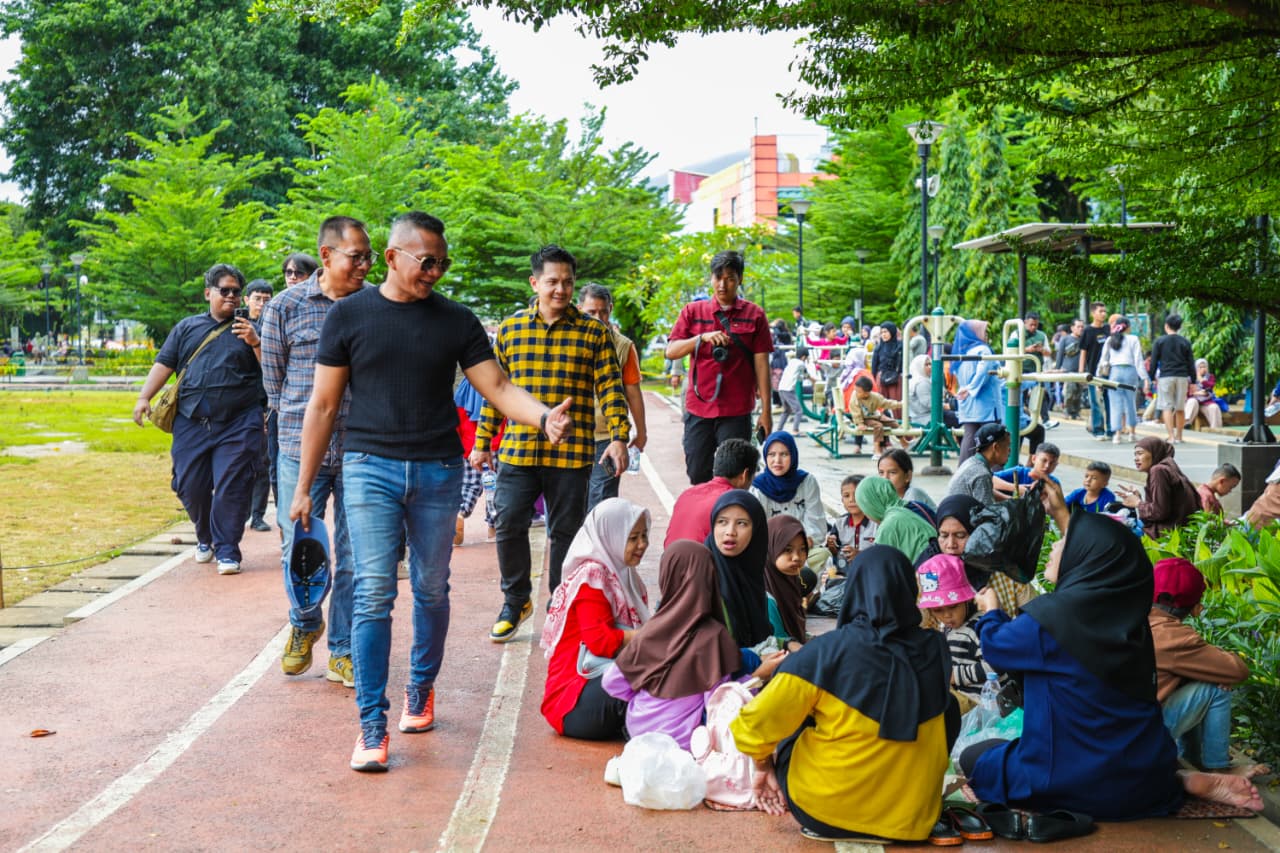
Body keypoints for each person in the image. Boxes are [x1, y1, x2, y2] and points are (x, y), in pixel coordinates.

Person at [292, 211, 568, 773]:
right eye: (427, 261)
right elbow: (321, 405)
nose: (435, 272)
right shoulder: (348, 316)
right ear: (393, 257)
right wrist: (303, 487)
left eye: (442, 262)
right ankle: (371, 724)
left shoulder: (456, 321)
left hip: (439, 471)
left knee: (432, 589)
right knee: (373, 592)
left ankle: (421, 689)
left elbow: (496, 386)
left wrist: (542, 418)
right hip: (368, 469)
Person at [965, 504, 1264, 820]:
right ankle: (1180, 778)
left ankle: (1179, 779)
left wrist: (991, 611)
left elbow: (996, 647)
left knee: (977, 757)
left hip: (1067, 783)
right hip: (1145, 783)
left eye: (1064, 540)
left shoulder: (1053, 620)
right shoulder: (1134, 622)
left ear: (1087, 556)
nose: (1053, 546)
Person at [729, 545, 953, 842]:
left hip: (823, 812)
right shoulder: (936, 649)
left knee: (793, 719)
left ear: (855, 589)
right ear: (909, 592)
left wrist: (762, 766)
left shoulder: (825, 654)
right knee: (945, 708)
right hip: (913, 820)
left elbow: (751, 726)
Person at [473, 245, 631, 644]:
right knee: (508, 522)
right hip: (519, 450)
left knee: (565, 532)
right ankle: (515, 601)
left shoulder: (594, 333)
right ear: (535, 283)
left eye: (567, 282)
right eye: (552, 282)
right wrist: (482, 443)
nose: (560, 290)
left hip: (572, 453)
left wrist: (619, 436)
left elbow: (610, 388)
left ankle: (559, 605)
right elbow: (498, 391)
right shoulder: (510, 331)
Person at [260, 216, 368, 683]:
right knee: (296, 545)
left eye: (369, 256)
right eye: (355, 257)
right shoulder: (285, 308)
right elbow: (274, 381)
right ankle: (305, 622)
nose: (365, 265)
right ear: (326, 256)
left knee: (352, 552)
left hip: (361, 448)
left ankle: (341, 648)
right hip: (296, 449)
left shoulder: (374, 306)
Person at [133, 263, 264, 576]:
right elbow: (164, 364)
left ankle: (228, 550)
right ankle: (205, 536)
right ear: (209, 293)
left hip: (239, 421)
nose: (231, 296)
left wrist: (256, 342)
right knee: (189, 485)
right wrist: (143, 397)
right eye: (225, 290)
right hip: (192, 420)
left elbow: (273, 370)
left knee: (232, 485)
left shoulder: (251, 329)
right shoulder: (186, 328)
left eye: (236, 292)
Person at [603, 540, 781, 750]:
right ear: (711, 580)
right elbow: (718, 705)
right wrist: (759, 677)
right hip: (684, 741)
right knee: (748, 664)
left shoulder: (650, 631)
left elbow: (611, 682)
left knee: (744, 656)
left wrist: (648, 696)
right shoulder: (713, 638)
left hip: (638, 730)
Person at [540, 499, 651, 740]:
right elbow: (600, 642)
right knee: (651, 682)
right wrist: (650, 635)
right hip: (572, 700)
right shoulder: (593, 576)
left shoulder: (625, 575)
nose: (642, 544)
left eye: (644, 535)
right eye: (633, 538)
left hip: (595, 684)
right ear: (611, 536)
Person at [1149, 557, 1264, 777]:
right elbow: (1238, 670)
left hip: (1107, 732)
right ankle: (1218, 768)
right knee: (1215, 687)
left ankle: (1192, 758)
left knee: (1195, 675)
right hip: (1142, 736)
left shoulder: (1129, 618)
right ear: (1196, 608)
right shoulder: (1174, 637)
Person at [665, 251, 773, 485]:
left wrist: (766, 411)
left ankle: (727, 520)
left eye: (731, 278)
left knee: (733, 476)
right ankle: (706, 519)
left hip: (736, 410)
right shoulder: (692, 312)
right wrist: (701, 338)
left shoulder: (755, 315)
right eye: (718, 277)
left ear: (740, 279)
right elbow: (671, 350)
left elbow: (762, 365)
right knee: (697, 471)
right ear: (711, 278)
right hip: (699, 408)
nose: (723, 284)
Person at [578, 283, 647, 512]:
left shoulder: (624, 347)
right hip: (571, 434)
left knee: (601, 505)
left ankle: (598, 548)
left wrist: (641, 432)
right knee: (569, 504)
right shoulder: (567, 342)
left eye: (603, 312)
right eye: (591, 312)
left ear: (611, 309)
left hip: (606, 436)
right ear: (579, 309)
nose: (598, 318)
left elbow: (633, 393)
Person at [917, 553, 992, 705]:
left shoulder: (980, 627)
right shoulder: (945, 628)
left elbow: (995, 665)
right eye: (938, 611)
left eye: (952, 607)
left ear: (967, 600)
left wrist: (955, 676)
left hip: (981, 702)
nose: (947, 616)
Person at [706, 490, 775, 652]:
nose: (730, 531)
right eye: (722, 522)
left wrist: (784, 644)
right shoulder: (702, 577)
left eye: (742, 523)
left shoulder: (752, 574)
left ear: (756, 530)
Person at [749, 432, 826, 571]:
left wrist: (803, 543)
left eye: (784, 454)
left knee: (823, 555)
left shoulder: (807, 482)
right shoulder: (758, 487)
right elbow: (757, 531)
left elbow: (816, 522)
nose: (777, 460)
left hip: (803, 550)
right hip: (771, 553)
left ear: (793, 455)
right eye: (772, 455)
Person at [663, 438, 758, 547]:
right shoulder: (735, 502)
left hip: (670, 561)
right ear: (744, 475)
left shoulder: (687, 494)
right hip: (702, 562)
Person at [1115, 438, 1201, 538]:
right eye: (1135, 454)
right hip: (1180, 533)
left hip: (1167, 538)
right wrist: (1139, 499)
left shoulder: (1158, 470)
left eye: (1140, 453)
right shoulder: (1169, 468)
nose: (1136, 458)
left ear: (1154, 453)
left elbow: (1159, 512)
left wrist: (1138, 503)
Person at [243, 279, 275, 533]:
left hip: (263, 404)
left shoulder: (273, 327)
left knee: (263, 464)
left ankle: (257, 514)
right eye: (257, 298)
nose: (262, 304)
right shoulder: (237, 327)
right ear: (246, 300)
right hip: (238, 404)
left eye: (266, 299)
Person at [854, 476, 936, 564]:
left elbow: (880, 569)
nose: (866, 514)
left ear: (872, 506)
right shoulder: (918, 506)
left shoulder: (888, 526)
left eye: (865, 509)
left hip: (922, 574)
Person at [952, 320, 1002, 462]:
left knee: (970, 437)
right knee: (995, 437)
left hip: (967, 402)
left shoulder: (961, 351)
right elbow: (984, 371)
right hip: (985, 402)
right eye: (984, 331)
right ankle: (997, 473)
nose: (986, 335)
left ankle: (963, 472)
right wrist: (971, 388)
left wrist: (967, 389)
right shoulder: (983, 350)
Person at [1098, 316, 1148, 443]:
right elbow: (1138, 360)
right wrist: (1145, 378)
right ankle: (1132, 433)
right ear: (1128, 327)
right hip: (1130, 372)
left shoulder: (1110, 339)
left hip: (1114, 373)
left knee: (1115, 404)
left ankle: (1117, 435)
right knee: (1130, 403)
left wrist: (1099, 378)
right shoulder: (1133, 339)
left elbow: (1103, 360)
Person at [765, 515, 810, 649]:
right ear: (771, 548)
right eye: (787, 550)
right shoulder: (765, 596)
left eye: (802, 549)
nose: (796, 558)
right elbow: (775, 640)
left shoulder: (790, 582)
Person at [1149, 314, 1195, 443]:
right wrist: (1194, 380)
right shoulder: (1185, 341)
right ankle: (1180, 436)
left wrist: (1151, 377)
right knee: (1180, 407)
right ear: (1179, 327)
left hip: (1166, 377)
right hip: (1182, 377)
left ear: (1166, 326)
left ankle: (1171, 436)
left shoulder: (1160, 341)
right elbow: (1191, 362)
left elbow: (1153, 362)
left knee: (1167, 407)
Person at [947, 423, 1011, 505]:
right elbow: (987, 513)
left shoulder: (972, 462)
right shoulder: (981, 474)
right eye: (1007, 445)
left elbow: (987, 491)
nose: (1009, 450)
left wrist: (1010, 500)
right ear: (996, 447)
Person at [825, 474, 877, 575]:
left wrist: (860, 555)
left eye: (857, 495)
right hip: (844, 574)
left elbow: (883, 554)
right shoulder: (840, 523)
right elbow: (835, 553)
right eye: (846, 496)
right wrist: (832, 547)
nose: (851, 500)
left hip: (871, 572)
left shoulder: (876, 523)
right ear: (842, 500)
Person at [1079, 301, 1114, 440]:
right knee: (1096, 402)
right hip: (1093, 372)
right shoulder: (1087, 331)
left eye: (1105, 311)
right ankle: (1098, 430)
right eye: (1101, 311)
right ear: (1093, 313)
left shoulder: (1108, 329)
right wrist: (1081, 372)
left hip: (1109, 372)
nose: (1104, 314)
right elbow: (1083, 351)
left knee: (1109, 400)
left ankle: (1111, 429)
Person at [848, 375, 905, 457]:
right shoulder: (854, 398)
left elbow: (886, 403)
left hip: (874, 415)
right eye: (855, 390)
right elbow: (856, 413)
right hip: (864, 418)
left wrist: (899, 404)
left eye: (859, 392)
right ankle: (876, 449)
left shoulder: (874, 397)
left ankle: (904, 443)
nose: (856, 393)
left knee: (893, 423)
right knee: (878, 426)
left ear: (867, 393)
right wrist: (860, 423)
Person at [992, 442, 1061, 499]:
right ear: (1034, 459)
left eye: (1052, 463)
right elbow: (989, 479)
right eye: (1044, 461)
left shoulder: (1054, 483)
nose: (1047, 466)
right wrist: (1016, 488)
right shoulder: (1020, 472)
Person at [776, 344, 816, 434]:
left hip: (781, 388)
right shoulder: (801, 364)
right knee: (799, 410)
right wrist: (813, 380)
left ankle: (779, 429)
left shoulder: (791, 362)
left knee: (786, 410)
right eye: (806, 358)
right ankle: (795, 430)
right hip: (788, 389)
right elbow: (805, 375)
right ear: (803, 357)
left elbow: (799, 377)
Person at [1184, 359, 1225, 430]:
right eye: (1200, 367)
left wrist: (1201, 379)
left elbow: (1210, 386)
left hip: (1206, 402)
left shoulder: (1210, 376)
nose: (1203, 369)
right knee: (1192, 401)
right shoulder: (1190, 377)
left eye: (1204, 367)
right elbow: (1187, 392)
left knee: (1214, 407)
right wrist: (1198, 393)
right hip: (1194, 401)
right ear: (1195, 368)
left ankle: (1215, 429)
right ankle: (1187, 423)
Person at [1056, 318, 1084, 419]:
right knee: (1070, 391)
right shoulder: (1065, 339)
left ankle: (1076, 412)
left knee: (1078, 392)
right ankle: (1067, 410)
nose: (1080, 329)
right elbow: (1060, 354)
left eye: (1082, 327)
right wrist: (1057, 368)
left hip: (1080, 370)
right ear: (1072, 328)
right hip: (1068, 370)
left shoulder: (1083, 339)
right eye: (1078, 327)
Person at [871, 321, 904, 401]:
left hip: (896, 378)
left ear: (892, 331)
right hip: (881, 376)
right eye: (881, 332)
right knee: (880, 403)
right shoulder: (878, 347)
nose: (883, 335)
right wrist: (874, 380)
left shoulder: (900, 346)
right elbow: (874, 366)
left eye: (886, 332)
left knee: (896, 404)